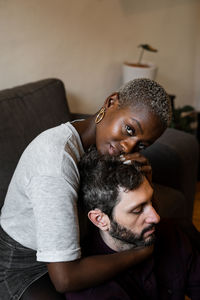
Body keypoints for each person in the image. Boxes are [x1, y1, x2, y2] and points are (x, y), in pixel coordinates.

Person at [0, 78, 172, 300]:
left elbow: (140, 216)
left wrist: (146, 181)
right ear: (111, 102)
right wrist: (139, 253)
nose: (128, 147)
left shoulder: (107, 147)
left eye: (141, 145)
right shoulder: (55, 164)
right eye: (129, 129)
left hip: (82, 244)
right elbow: (65, 279)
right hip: (24, 264)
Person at [66, 147, 200, 300]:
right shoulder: (91, 292)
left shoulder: (172, 234)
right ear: (100, 219)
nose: (156, 217)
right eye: (137, 210)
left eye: (151, 201)